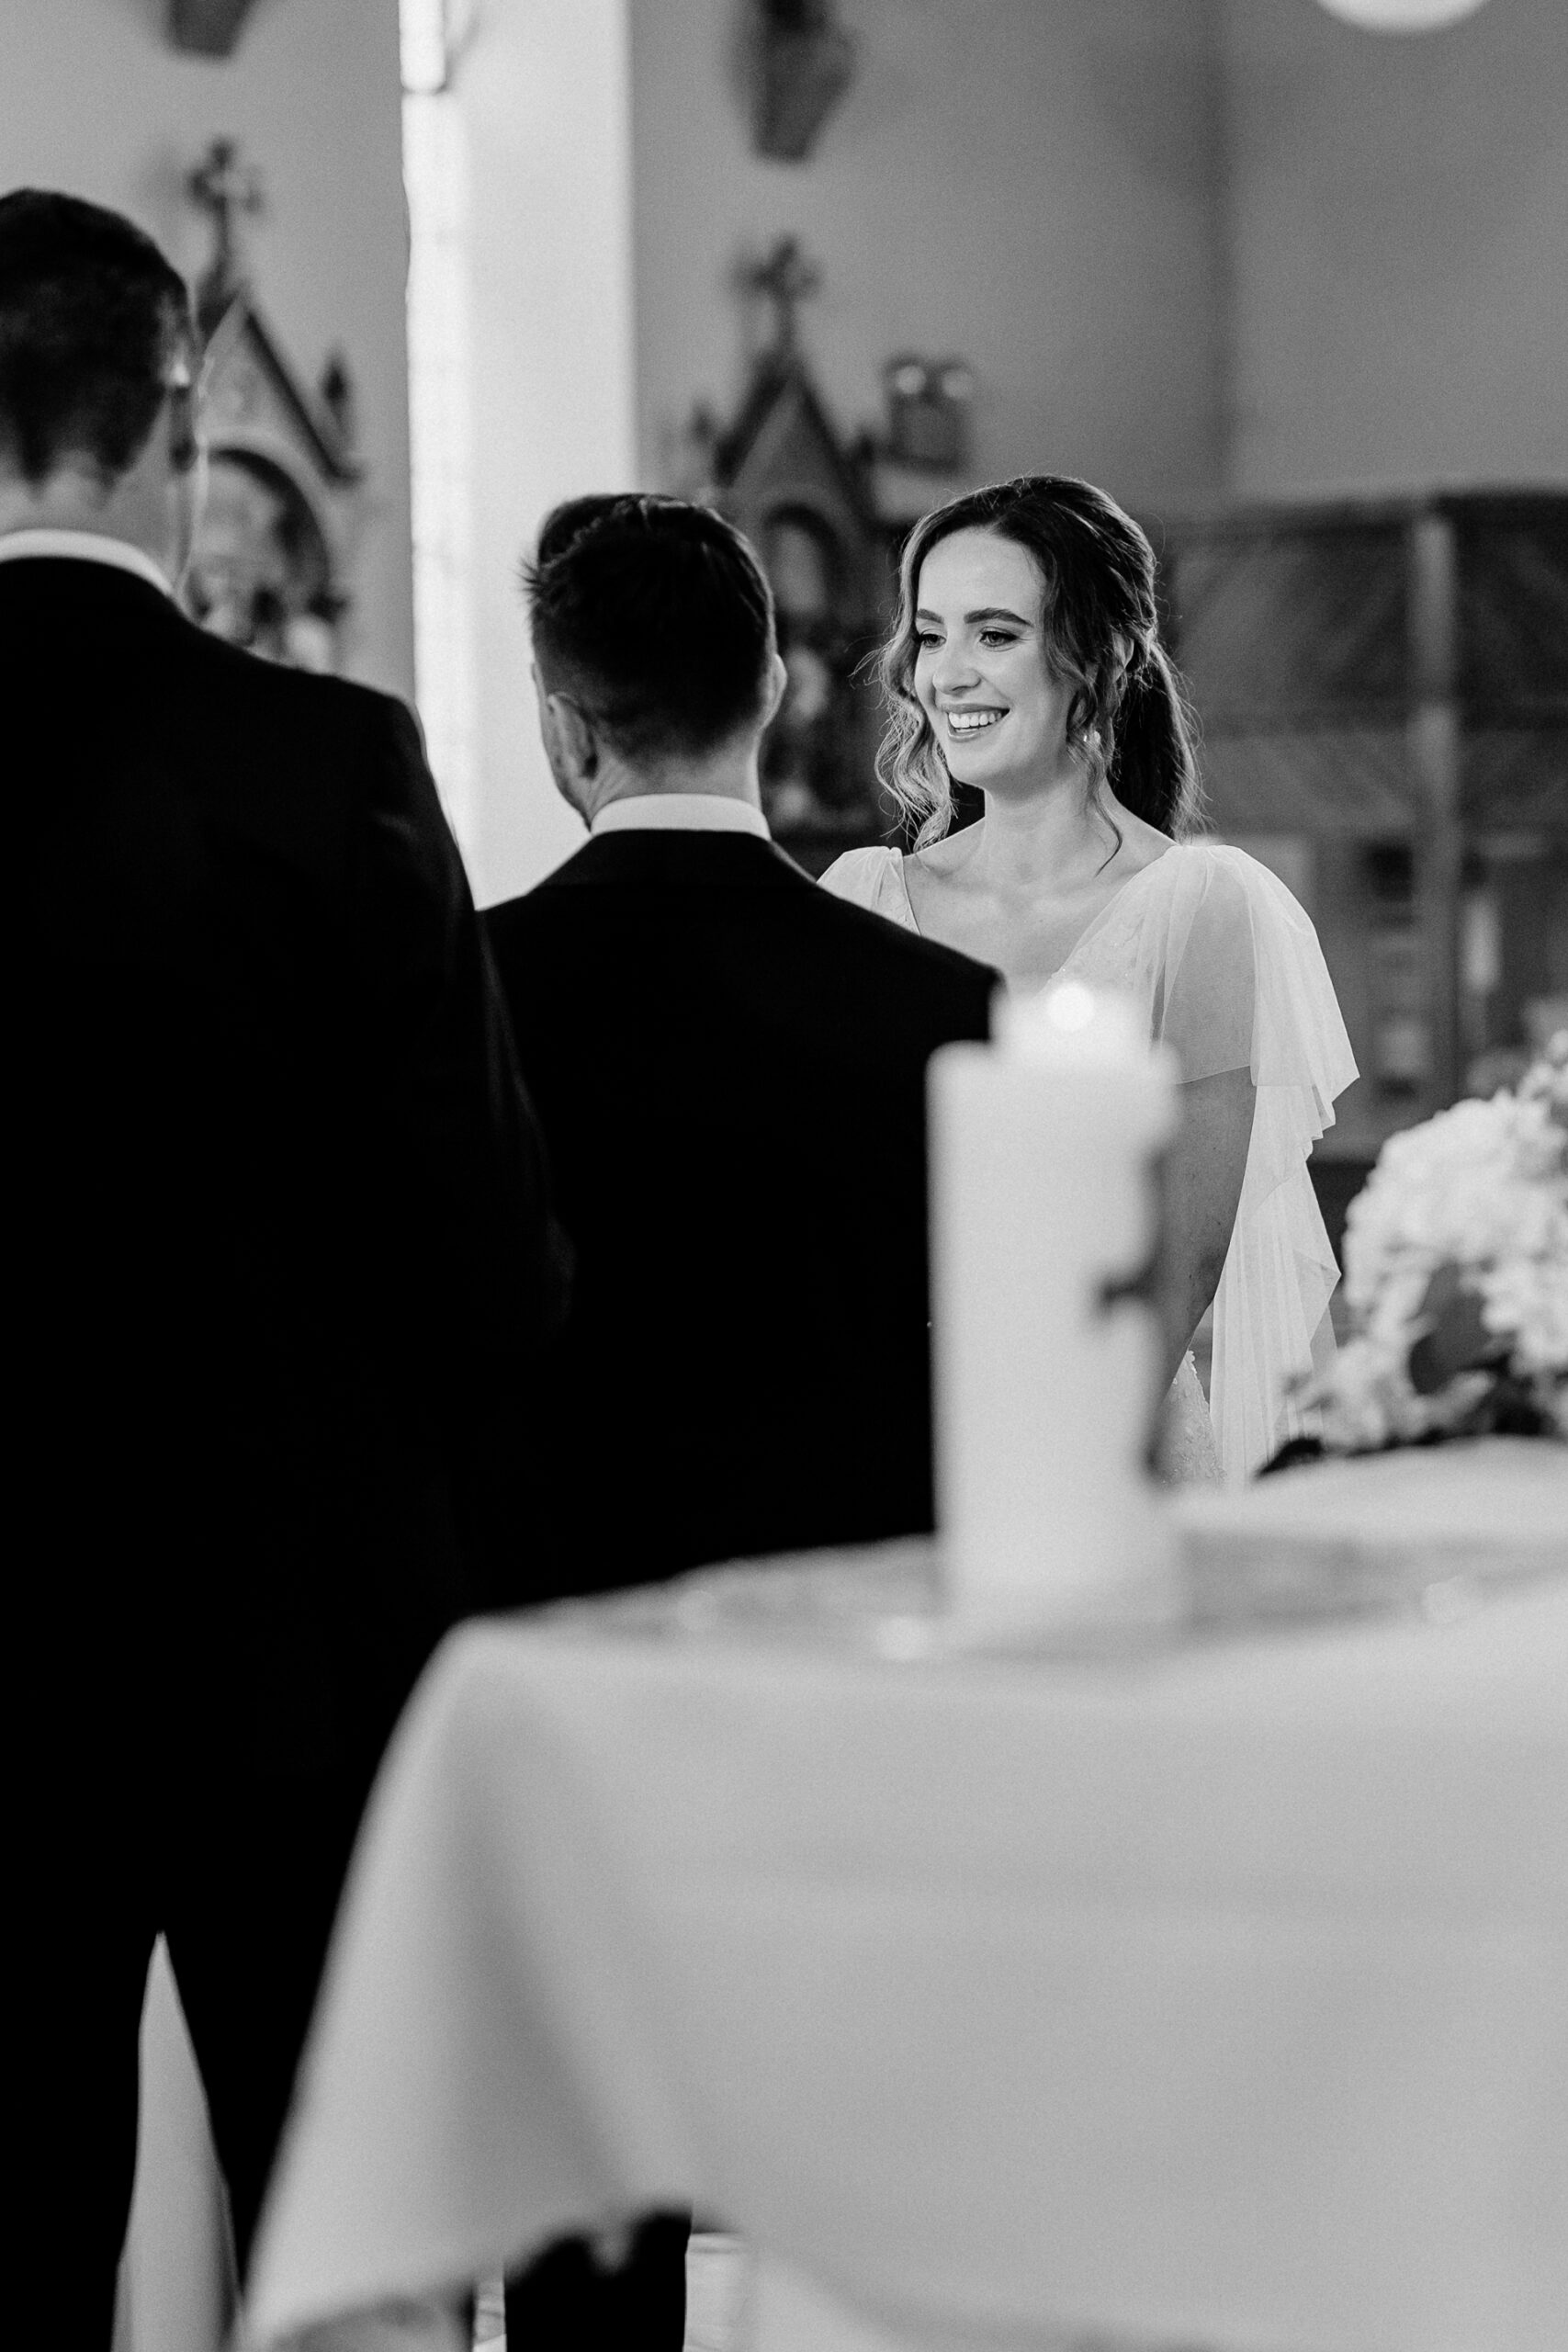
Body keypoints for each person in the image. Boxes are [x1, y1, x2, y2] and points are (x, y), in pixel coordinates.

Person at [1, 188, 569, 2346]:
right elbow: (488, 1245)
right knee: (344, 2228)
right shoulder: (318, 760)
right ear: (179, 408)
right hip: (290, 1615)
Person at [482, 492, 995, 2350]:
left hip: (559, 1672)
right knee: (863, 2208)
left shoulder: (463, 993)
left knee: (584, 2225)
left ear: (564, 722)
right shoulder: (945, 1009)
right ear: (775, 694)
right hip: (858, 1690)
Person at [823, 474, 1357, 1482]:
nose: (949, 675)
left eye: (995, 633)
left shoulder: (1198, 904)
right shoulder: (861, 897)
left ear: (1101, 654)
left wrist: (1027, 1459)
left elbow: (1183, 1268)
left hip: (1110, 1454)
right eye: (931, 636)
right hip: (883, 1441)